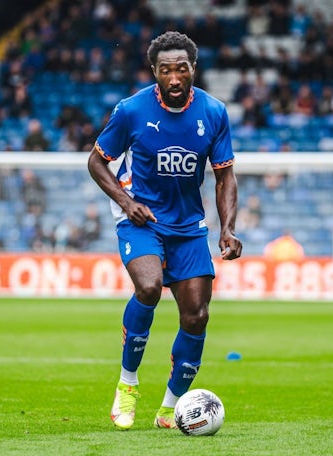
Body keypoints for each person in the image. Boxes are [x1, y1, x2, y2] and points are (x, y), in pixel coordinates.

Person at [87, 31, 242, 431]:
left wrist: (227, 229)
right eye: (165, 70)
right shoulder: (131, 110)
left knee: (197, 315)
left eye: (182, 69)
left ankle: (171, 408)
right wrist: (127, 203)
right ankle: (127, 384)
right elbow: (97, 163)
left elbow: (225, 177)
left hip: (189, 226)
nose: (174, 78)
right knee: (150, 287)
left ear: (193, 69)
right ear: (154, 71)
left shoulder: (214, 112)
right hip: (142, 220)